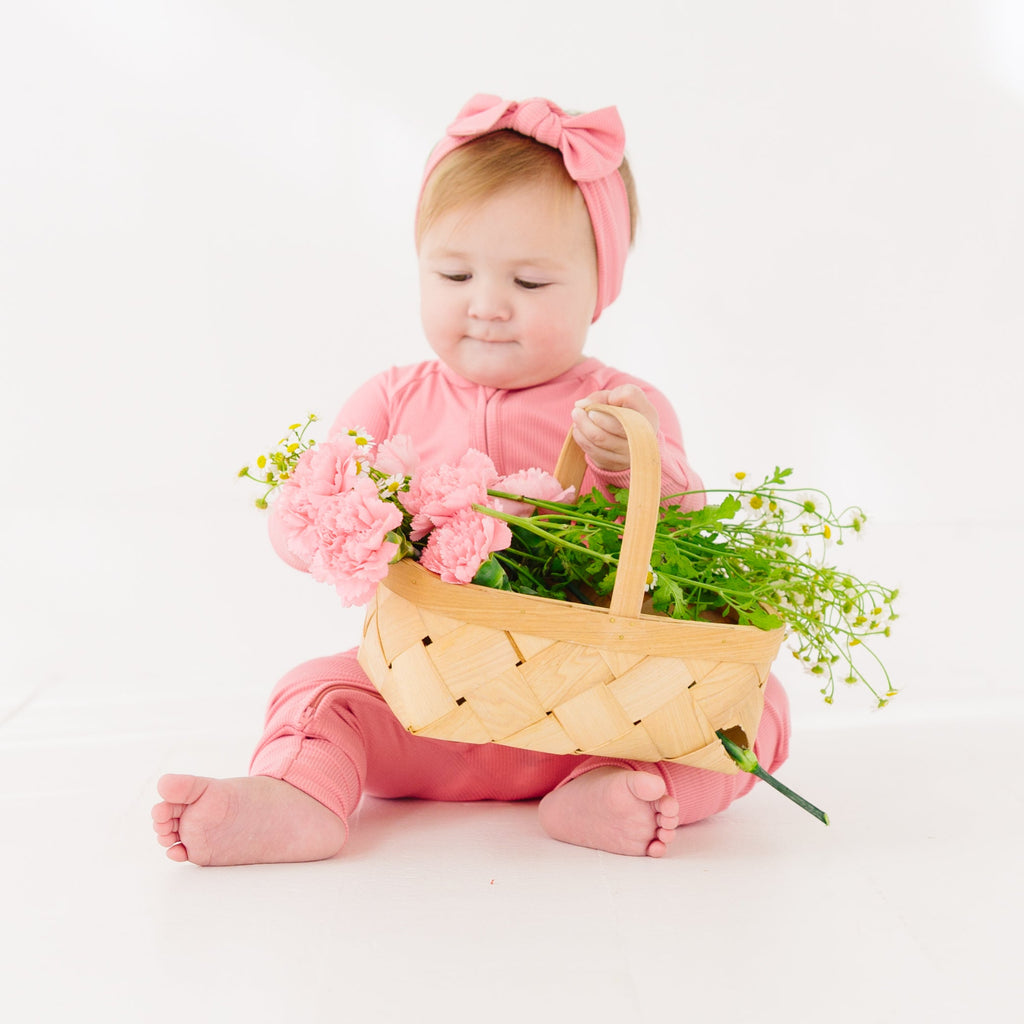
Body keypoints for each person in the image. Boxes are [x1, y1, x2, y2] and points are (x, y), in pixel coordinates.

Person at [151, 94, 790, 865]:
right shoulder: (390, 399)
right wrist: (316, 522)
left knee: (753, 707)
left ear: (599, 289)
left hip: (591, 712)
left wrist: (629, 461)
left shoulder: (623, 407)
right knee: (315, 691)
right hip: (420, 709)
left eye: (531, 284)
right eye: (454, 273)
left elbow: (682, 529)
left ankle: (619, 792)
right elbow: (301, 518)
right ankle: (298, 796)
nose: (487, 306)